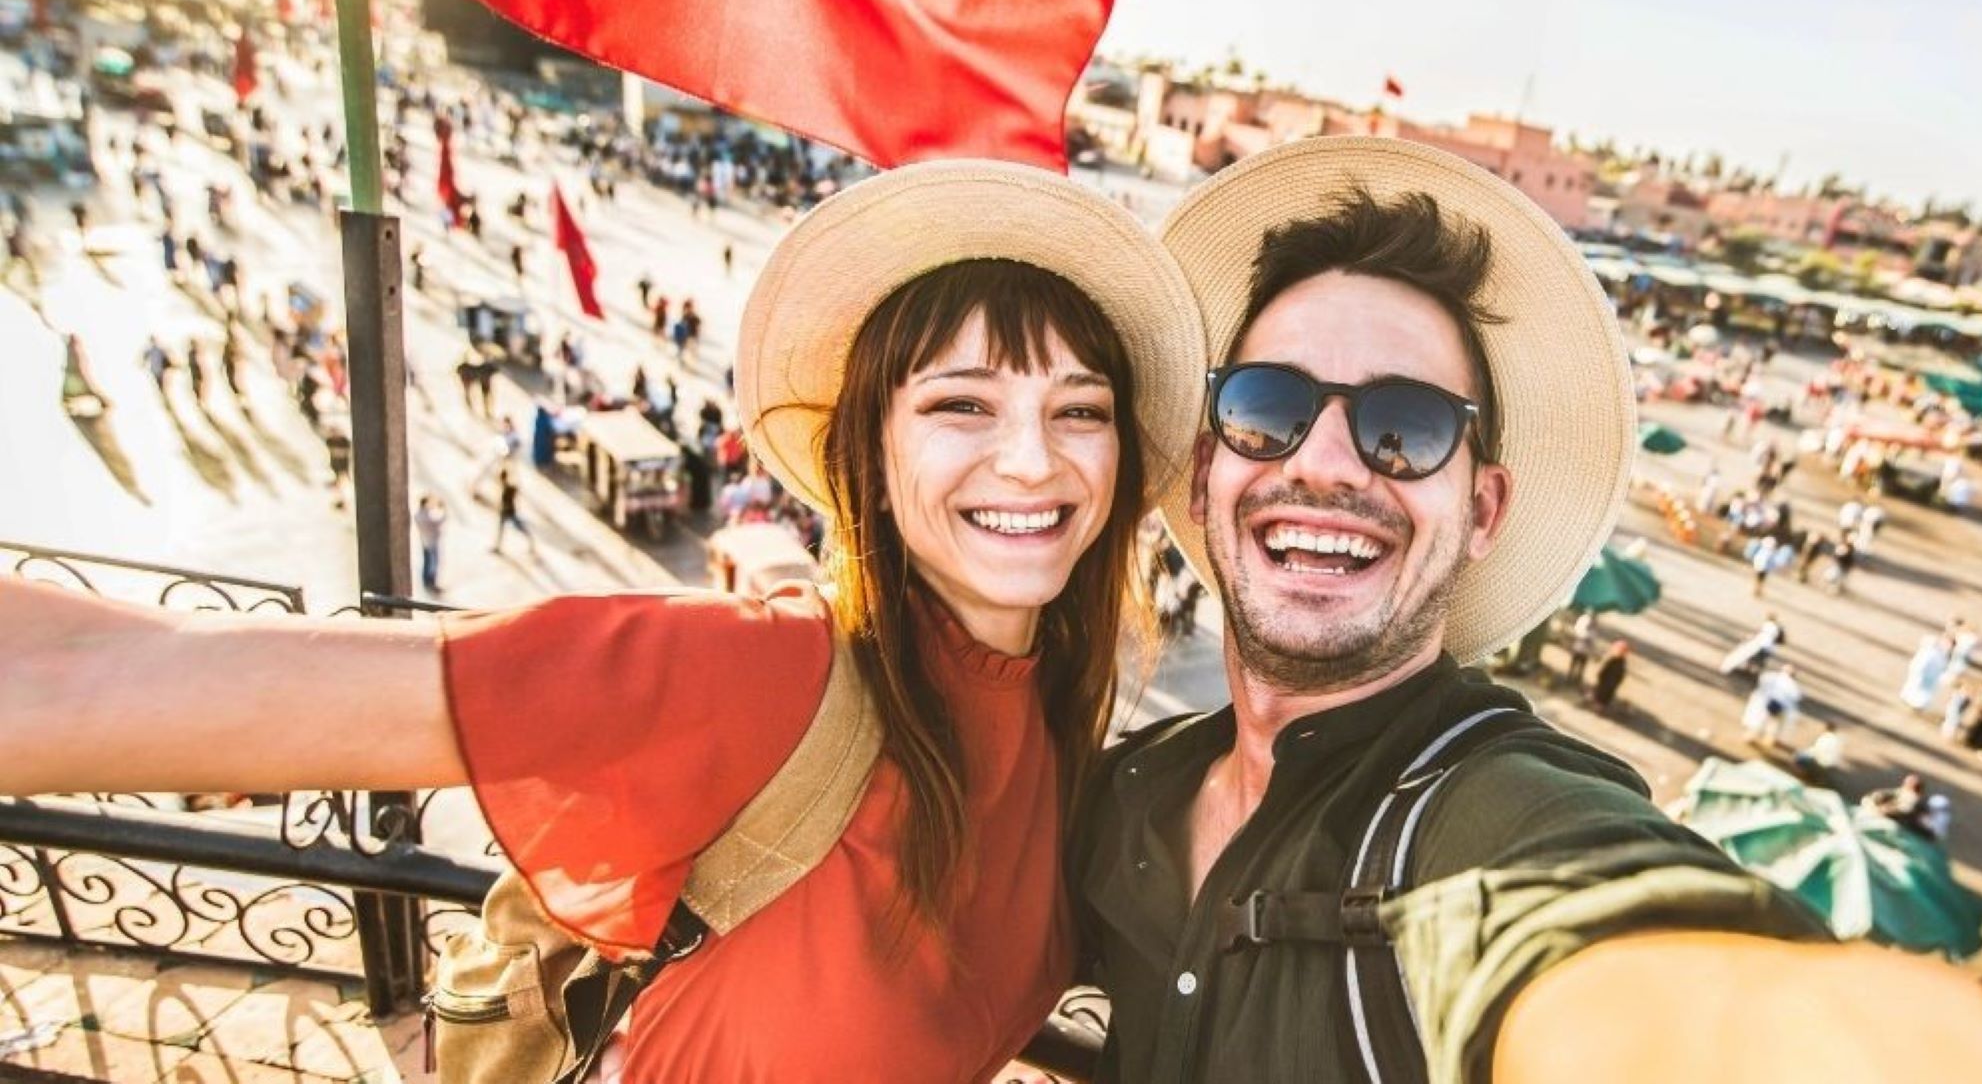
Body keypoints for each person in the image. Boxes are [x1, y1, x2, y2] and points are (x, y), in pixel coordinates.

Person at [1, 160, 1209, 1082]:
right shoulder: (756, 674)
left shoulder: (1064, 720)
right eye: (961, 404)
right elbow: (112, 672)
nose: (1031, 459)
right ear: (869, 455)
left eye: (1080, 410)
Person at [1067, 139, 1982, 1084]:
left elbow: (1651, 968)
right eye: (1268, 407)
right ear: (1207, 469)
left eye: (1405, 427)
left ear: (1482, 511)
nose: (1325, 462)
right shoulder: (1127, 791)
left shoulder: (1496, 820)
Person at [1587, 639, 1633, 713]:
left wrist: (1601, 675)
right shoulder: (1618, 661)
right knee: (1602, 693)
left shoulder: (1618, 661)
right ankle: (1598, 704)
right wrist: (1601, 675)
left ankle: (1599, 705)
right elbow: (1606, 669)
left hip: (1609, 683)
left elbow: (1617, 673)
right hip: (1607, 682)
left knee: (1603, 694)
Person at [414, 493, 447, 592]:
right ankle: (430, 583)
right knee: (432, 563)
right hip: (430, 542)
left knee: (428, 562)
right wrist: (443, 509)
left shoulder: (420, 515)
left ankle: (428, 582)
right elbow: (437, 522)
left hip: (426, 541)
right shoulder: (424, 516)